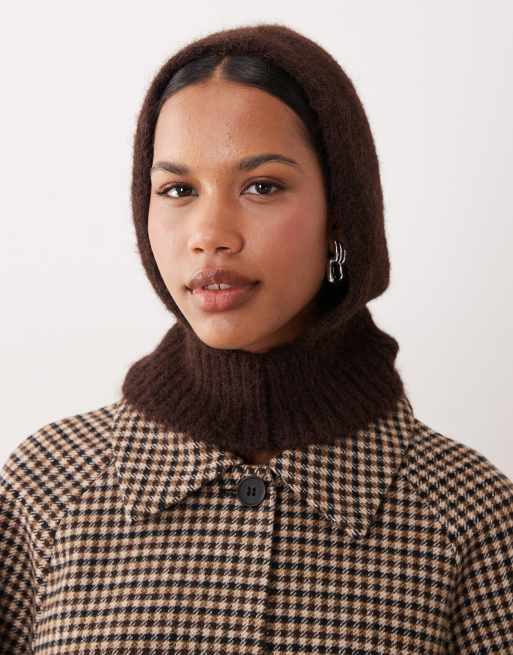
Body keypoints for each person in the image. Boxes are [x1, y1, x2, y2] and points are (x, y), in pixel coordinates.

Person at [1, 22, 512, 654]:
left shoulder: (469, 518)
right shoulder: (45, 491)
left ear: (341, 213)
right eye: (178, 190)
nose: (209, 234)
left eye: (262, 186)